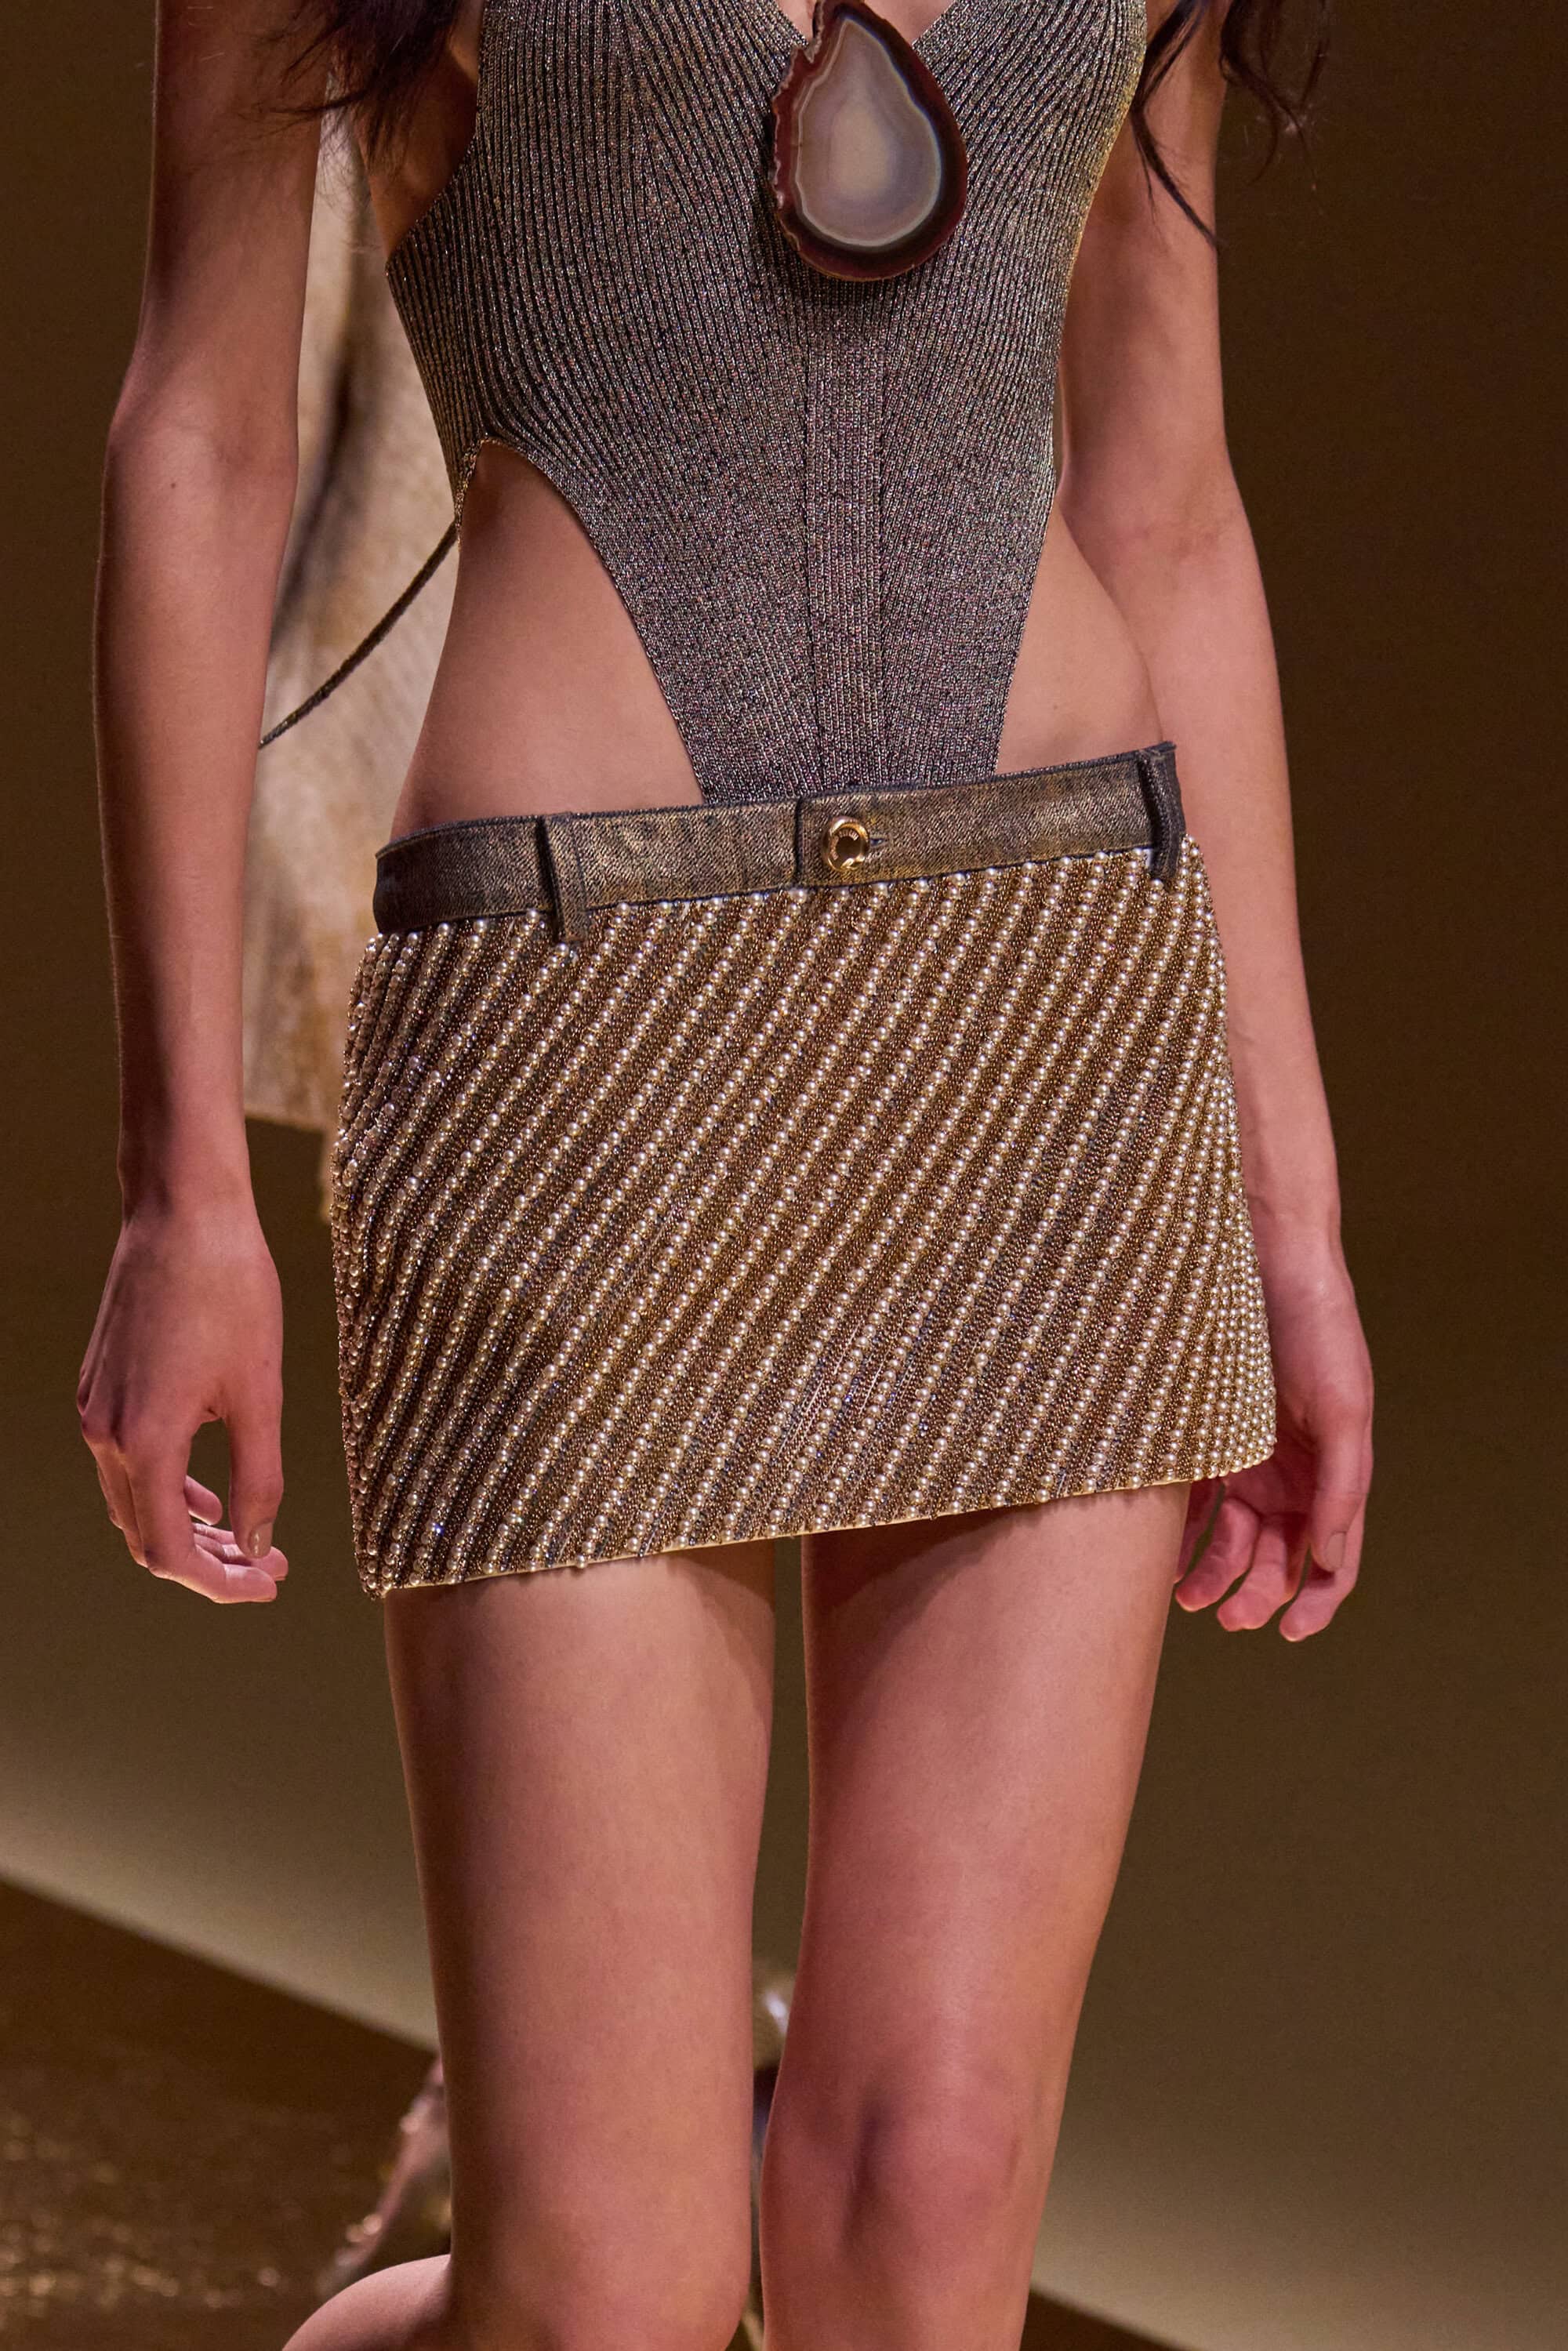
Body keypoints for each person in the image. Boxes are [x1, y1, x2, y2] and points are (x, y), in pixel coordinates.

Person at [77, 2, 1374, 2346]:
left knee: (927, 2201)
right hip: (577, 1045)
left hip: (1054, 1032)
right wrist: (185, 1186)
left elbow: (1166, 496)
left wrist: (1292, 1213)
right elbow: (204, 432)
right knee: (602, 2299)